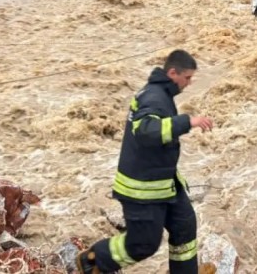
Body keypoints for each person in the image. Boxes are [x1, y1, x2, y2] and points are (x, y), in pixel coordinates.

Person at [76, 50, 214, 274]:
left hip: (164, 182)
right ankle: (93, 260)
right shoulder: (154, 97)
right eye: (187, 78)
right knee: (144, 244)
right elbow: (146, 132)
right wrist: (187, 121)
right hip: (143, 189)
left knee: (184, 226)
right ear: (172, 72)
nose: (190, 83)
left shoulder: (160, 93)